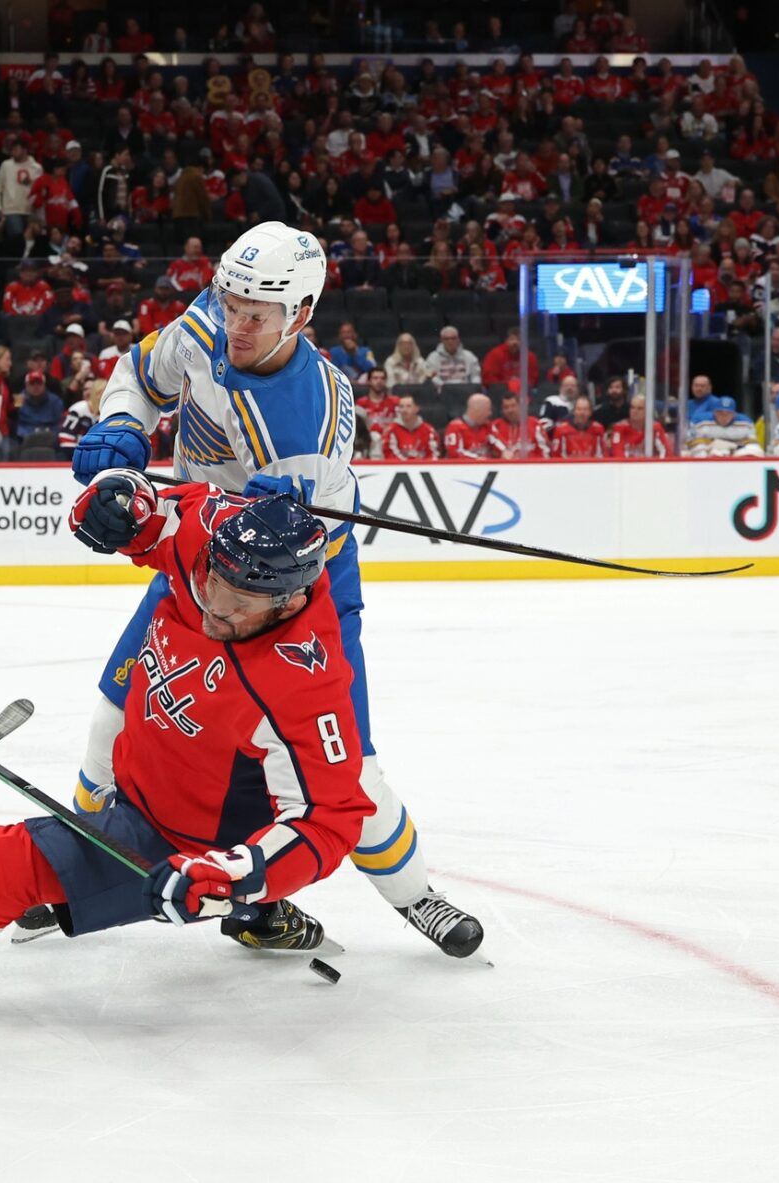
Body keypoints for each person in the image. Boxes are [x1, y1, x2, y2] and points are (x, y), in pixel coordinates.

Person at [66, 220, 484, 957]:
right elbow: (139, 375)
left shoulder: (311, 421)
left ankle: (414, 895)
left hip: (293, 591)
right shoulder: (209, 318)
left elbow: (293, 555)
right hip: (198, 562)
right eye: (231, 304)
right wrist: (123, 433)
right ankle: (78, 862)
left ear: (302, 313)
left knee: (341, 767)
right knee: (116, 716)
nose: (236, 325)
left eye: (255, 315)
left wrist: (197, 511)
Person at [0, 482, 372, 993]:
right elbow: (150, 523)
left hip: (182, 842)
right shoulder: (214, 535)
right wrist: (119, 503)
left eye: (238, 606)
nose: (212, 611)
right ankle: (263, 912)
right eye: (209, 584)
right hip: (146, 784)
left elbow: (329, 819)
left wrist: (236, 873)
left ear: (289, 603)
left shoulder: (304, 686)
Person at [374, 394, 440, 460]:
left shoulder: (429, 430)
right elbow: (389, 455)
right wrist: (409, 465)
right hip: (398, 468)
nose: (404, 410)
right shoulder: (390, 430)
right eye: (401, 407)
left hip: (424, 468)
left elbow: (434, 455)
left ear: (416, 409)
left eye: (408, 406)